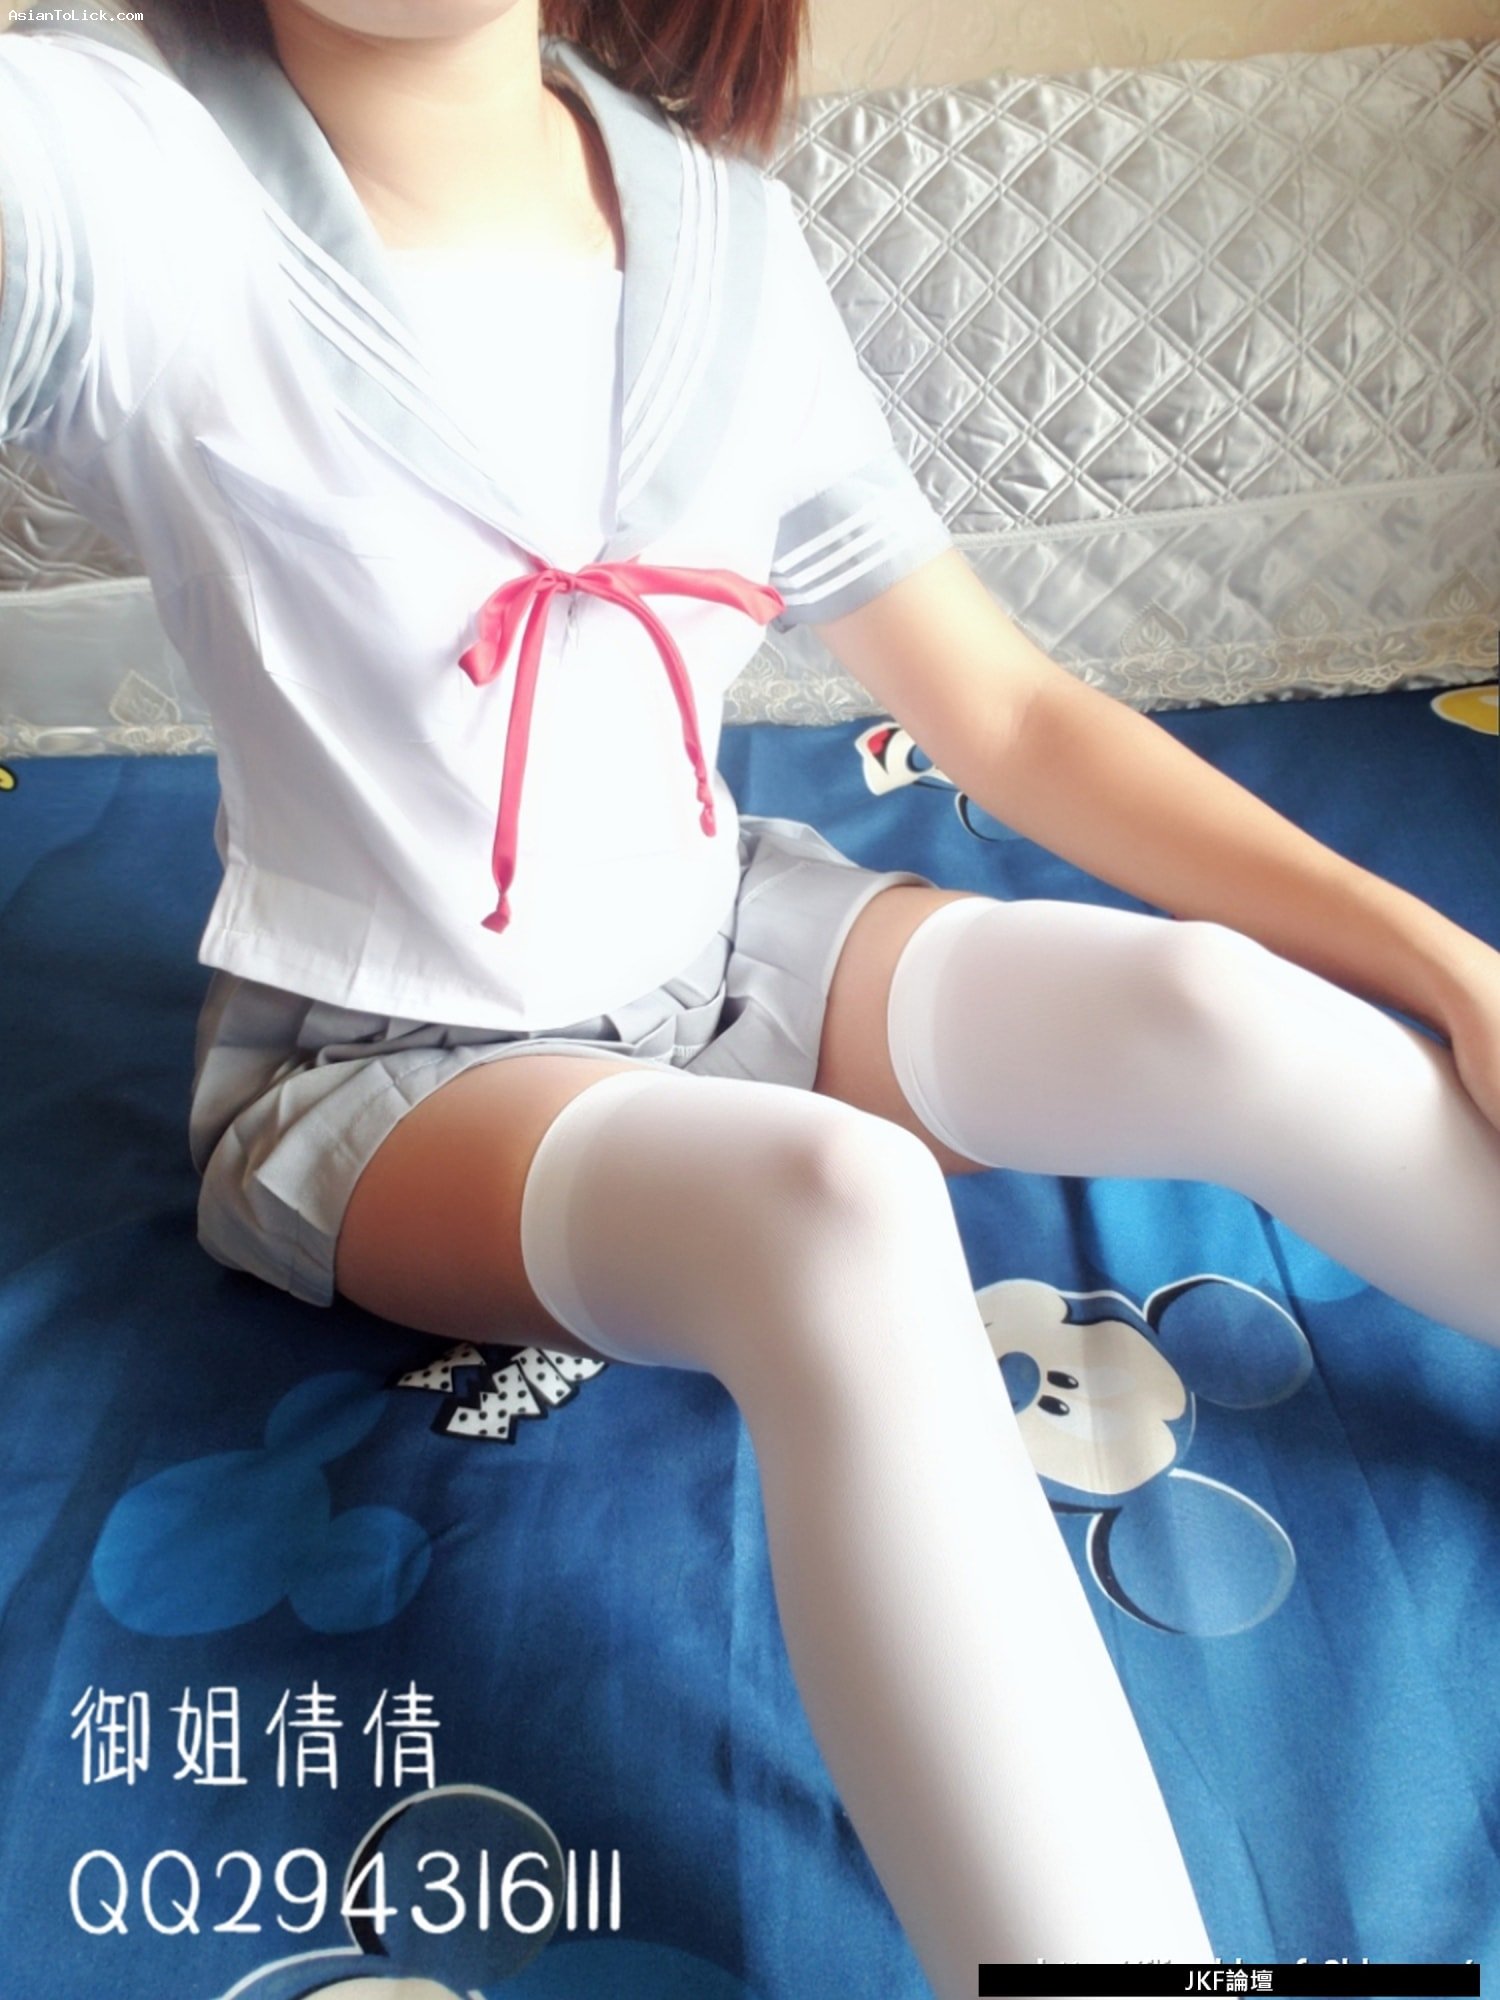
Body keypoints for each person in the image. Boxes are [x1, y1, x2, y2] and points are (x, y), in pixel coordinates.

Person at [2, 2, 1498, 1993]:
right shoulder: (120, 165)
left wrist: (1450, 964)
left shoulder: (719, 233)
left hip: (735, 941)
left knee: (1216, 1006)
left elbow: (1006, 710)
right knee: (840, 1213)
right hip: (395, 1066)